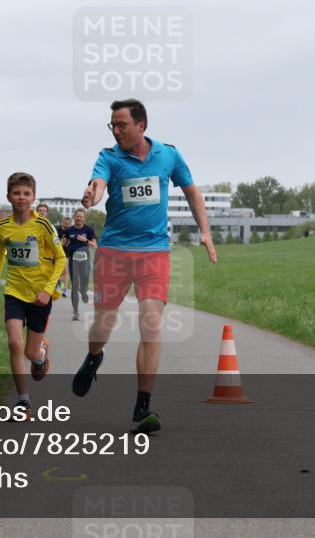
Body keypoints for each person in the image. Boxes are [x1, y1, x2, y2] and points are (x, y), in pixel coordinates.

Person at [75, 98, 217, 434]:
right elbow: (98, 185)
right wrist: (90, 196)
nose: (116, 130)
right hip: (114, 252)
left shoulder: (168, 155)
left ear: (142, 125)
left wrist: (206, 232)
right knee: (103, 324)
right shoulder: (109, 156)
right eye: (112, 124)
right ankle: (95, 356)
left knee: (151, 324)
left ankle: (142, 407)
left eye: (122, 124)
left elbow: (193, 192)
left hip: (154, 253)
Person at [0, 172, 67, 419]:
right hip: (14, 292)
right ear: (8, 196)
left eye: (26, 193)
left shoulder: (43, 225)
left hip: (40, 295)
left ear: (33, 197)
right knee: (13, 343)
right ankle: (23, 403)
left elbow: (61, 258)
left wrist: (47, 290)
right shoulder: (2, 228)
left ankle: (40, 353)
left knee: (30, 353)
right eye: (17, 193)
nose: (21, 198)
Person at [65, 208, 97, 321]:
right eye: (77, 216)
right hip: (73, 260)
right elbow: (65, 243)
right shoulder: (69, 230)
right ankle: (75, 312)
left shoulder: (88, 230)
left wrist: (85, 240)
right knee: (74, 286)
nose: (79, 218)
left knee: (84, 282)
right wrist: (64, 243)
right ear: (74, 217)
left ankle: (83, 291)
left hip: (85, 260)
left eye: (81, 217)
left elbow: (94, 245)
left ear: (84, 218)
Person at [58, 215, 72, 297]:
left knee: (65, 272)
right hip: (56, 253)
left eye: (68, 224)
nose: (66, 225)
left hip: (66, 253)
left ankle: (64, 289)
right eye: (65, 223)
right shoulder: (57, 230)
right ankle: (59, 285)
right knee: (57, 273)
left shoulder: (71, 231)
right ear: (62, 222)